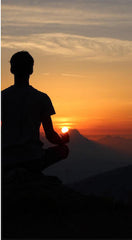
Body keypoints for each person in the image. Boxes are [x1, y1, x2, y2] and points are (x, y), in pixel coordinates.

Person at [1, 51, 69, 173]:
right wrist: (62, 140)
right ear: (31, 70)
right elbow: (50, 136)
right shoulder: (41, 98)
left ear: (11, 69)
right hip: (33, 159)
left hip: (6, 159)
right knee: (63, 150)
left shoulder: (3, 97)